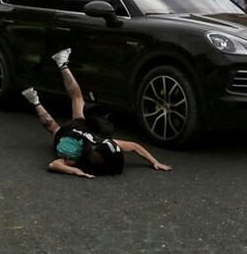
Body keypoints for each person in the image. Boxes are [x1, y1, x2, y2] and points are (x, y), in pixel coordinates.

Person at [21, 48, 171, 179]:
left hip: (74, 130)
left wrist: (154, 162)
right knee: (54, 127)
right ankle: (35, 100)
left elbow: (134, 146)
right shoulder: (79, 158)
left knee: (76, 99)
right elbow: (55, 164)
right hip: (65, 134)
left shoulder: (89, 150)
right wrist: (155, 162)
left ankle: (60, 67)